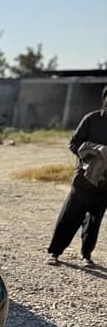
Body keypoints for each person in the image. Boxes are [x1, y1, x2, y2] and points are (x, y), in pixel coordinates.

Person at [47, 87, 107, 266]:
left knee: (94, 221)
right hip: (84, 180)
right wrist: (92, 154)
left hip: (105, 184)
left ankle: (86, 255)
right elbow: (74, 143)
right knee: (69, 217)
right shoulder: (92, 119)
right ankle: (54, 253)